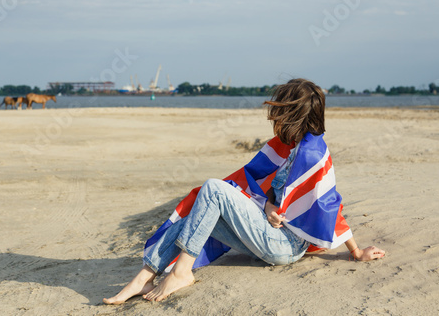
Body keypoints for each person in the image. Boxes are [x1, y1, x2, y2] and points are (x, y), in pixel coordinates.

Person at [103, 78, 386, 304]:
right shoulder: (287, 147)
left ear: (293, 114)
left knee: (214, 189)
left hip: (284, 247)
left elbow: (328, 205)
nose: (274, 115)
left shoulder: (313, 154)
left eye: (280, 109)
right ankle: (144, 277)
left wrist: (357, 251)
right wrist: (268, 208)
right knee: (199, 215)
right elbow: (262, 187)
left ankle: (181, 272)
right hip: (266, 231)